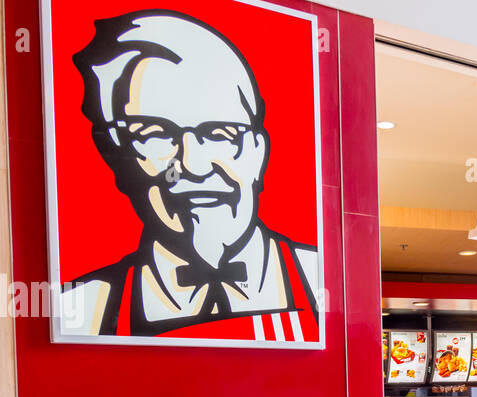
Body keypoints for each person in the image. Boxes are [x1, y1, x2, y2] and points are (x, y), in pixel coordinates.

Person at [59, 11, 321, 343]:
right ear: (118, 158)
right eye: (154, 133)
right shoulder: (81, 309)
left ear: (258, 151)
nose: (194, 166)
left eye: (221, 133)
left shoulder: (322, 281)